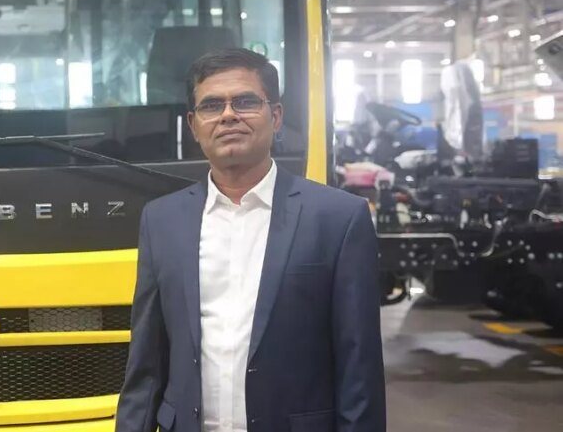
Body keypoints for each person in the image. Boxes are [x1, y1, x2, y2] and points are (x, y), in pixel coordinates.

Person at [116, 48, 385, 432]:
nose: (228, 115)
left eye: (244, 101)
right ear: (194, 125)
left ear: (275, 117)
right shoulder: (162, 221)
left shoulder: (338, 218)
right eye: (212, 106)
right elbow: (146, 364)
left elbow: (360, 366)